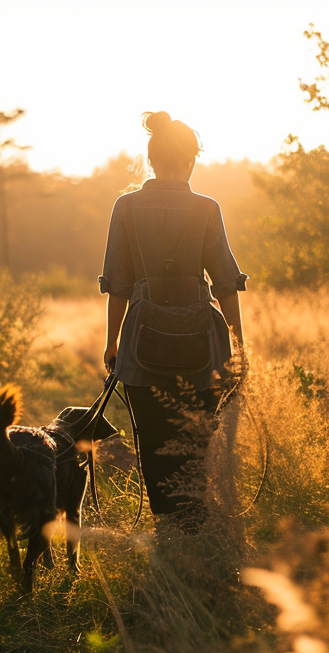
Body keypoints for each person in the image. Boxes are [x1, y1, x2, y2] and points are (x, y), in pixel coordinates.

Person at [98, 111, 248, 531]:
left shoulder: (125, 207)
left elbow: (118, 285)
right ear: (191, 160)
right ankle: (193, 523)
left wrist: (113, 344)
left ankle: (168, 525)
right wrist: (238, 345)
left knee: (152, 436)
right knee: (196, 438)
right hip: (202, 346)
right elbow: (225, 284)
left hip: (142, 345)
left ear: (151, 158)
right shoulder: (207, 209)